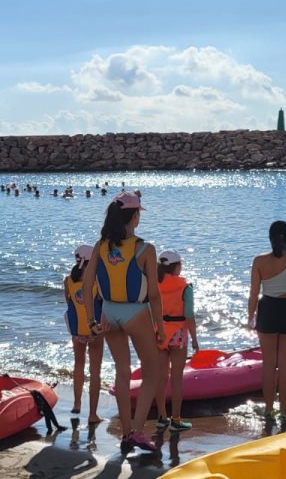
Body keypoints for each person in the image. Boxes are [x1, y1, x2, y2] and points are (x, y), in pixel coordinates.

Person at [82, 190, 164, 454]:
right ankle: (137, 432)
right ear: (135, 216)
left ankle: (127, 432)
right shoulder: (145, 249)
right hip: (135, 313)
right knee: (152, 372)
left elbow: (87, 284)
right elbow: (154, 294)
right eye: (139, 213)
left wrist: (92, 321)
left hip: (108, 313)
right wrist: (161, 327)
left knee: (122, 371)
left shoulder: (101, 246)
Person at [248, 220, 286, 424]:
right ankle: (283, 411)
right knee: (285, 366)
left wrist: (250, 317)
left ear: (270, 238)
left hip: (267, 309)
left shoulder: (259, 261)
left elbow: (254, 294)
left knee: (268, 365)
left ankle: (268, 410)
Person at [155, 249, 199, 432]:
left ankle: (161, 417)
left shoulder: (154, 285)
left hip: (158, 333)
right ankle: (176, 420)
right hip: (178, 335)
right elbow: (189, 316)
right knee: (176, 378)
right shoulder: (185, 288)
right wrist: (195, 339)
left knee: (161, 377)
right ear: (177, 267)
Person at [64, 244, 104, 423]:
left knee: (78, 364)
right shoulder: (97, 281)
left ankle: (77, 403)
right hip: (95, 329)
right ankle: (93, 414)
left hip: (77, 331)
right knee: (95, 371)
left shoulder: (68, 281)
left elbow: (69, 303)